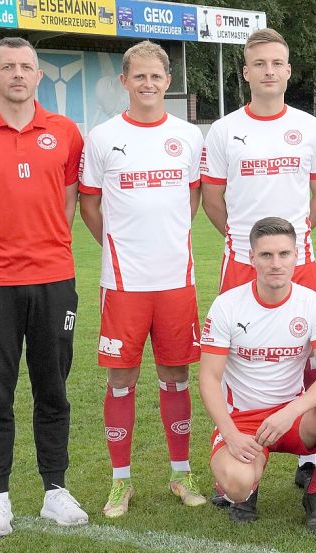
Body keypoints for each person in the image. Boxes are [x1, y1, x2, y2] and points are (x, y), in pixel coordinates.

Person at [0, 37, 87, 538]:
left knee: (54, 388)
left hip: (53, 279)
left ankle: (55, 490)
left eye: (26, 66)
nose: (18, 75)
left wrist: (45, 247)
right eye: (8, 67)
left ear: (38, 75)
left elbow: (66, 200)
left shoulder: (65, 132)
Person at [201, 27, 316, 486]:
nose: (268, 71)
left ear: (288, 71)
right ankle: (234, 437)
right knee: (233, 353)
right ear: (245, 72)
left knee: (311, 354)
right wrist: (247, 243)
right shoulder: (224, 130)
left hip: (299, 257)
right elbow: (212, 199)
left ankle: (306, 454)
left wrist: (290, 243)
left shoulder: (310, 128)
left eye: (276, 63)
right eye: (259, 64)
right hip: (241, 258)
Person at [79, 41, 206, 518]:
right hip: (123, 282)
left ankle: (180, 473)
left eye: (156, 76)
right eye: (139, 76)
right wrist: (117, 244)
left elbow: (193, 196)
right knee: (122, 376)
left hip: (176, 280)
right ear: (124, 82)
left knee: (176, 375)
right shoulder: (103, 137)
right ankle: (121, 482)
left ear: (168, 81)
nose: (148, 84)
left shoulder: (188, 136)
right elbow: (89, 203)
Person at [198, 217, 316, 535]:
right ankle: (246, 490)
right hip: (243, 421)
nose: (276, 263)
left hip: (292, 416)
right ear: (251, 257)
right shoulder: (227, 306)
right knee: (237, 486)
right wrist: (229, 432)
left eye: (284, 254)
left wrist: (291, 411)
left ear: (296, 256)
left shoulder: (312, 303)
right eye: (267, 255)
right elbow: (208, 377)